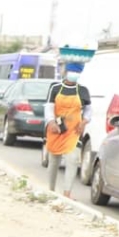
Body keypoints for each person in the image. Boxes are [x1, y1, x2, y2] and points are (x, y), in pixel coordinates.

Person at [43, 63, 91, 198]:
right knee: (53, 160)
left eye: (77, 72)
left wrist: (84, 121)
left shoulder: (83, 90)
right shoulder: (55, 88)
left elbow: (88, 109)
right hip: (56, 129)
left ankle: (67, 193)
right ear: (66, 72)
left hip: (74, 131)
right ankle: (51, 190)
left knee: (73, 159)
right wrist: (51, 122)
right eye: (72, 71)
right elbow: (48, 107)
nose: (74, 74)